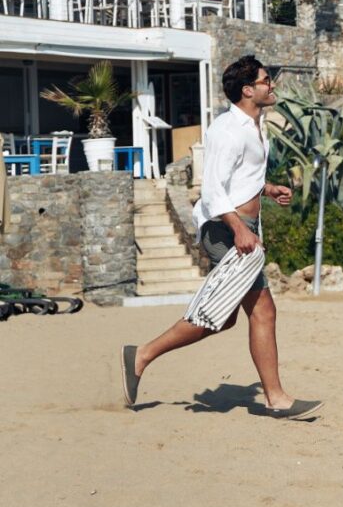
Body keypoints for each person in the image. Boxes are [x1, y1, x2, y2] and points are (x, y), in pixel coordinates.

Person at [120, 55, 322, 419]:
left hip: (243, 228)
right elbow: (212, 189)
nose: (271, 84)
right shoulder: (227, 130)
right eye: (265, 80)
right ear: (248, 90)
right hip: (226, 231)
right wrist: (239, 226)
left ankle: (143, 355)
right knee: (258, 311)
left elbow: (239, 178)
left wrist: (266, 188)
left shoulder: (253, 125)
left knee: (230, 317)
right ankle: (276, 398)